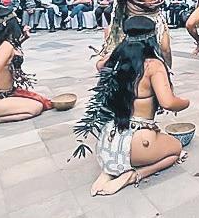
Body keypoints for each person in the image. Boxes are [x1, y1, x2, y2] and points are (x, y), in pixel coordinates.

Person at [73, 16, 189, 196]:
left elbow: (99, 65)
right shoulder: (153, 65)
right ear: (152, 38)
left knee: (155, 143)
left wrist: (114, 50)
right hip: (138, 140)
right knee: (176, 150)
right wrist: (186, 102)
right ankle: (132, 176)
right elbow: (168, 102)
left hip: (108, 139)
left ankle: (109, 171)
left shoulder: (117, 57)